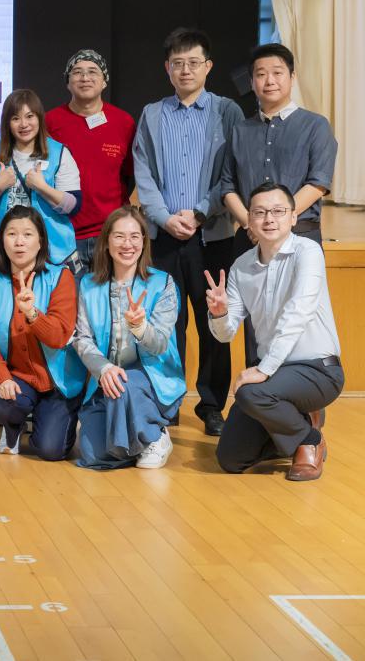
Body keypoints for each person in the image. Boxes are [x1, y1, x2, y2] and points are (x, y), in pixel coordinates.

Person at [132, 27, 242, 436]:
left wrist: (198, 213)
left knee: (214, 320)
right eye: (177, 63)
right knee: (167, 322)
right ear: (167, 68)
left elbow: (231, 171)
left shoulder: (227, 111)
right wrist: (163, 218)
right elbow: (143, 171)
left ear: (208, 66)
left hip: (213, 235)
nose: (185, 70)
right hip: (163, 237)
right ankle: (168, 401)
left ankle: (212, 405)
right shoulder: (153, 113)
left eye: (193, 63)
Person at [209, 182, 342, 481]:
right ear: (249, 220)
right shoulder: (241, 266)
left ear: (293, 217)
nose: (269, 219)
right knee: (230, 458)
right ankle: (294, 429)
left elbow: (298, 313)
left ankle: (309, 439)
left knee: (250, 392)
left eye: (278, 211)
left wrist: (263, 369)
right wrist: (219, 314)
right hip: (275, 375)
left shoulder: (308, 252)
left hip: (317, 369)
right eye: (259, 212)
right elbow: (226, 334)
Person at [221, 44, 338, 368]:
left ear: (292, 77)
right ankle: (258, 392)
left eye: (277, 73)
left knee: (301, 319)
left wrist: (276, 223)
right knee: (255, 325)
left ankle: (302, 394)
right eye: (261, 74)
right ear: (252, 81)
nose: (269, 80)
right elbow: (227, 187)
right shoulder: (240, 130)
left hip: (301, 237)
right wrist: (253, 224)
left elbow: (319, 182)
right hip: (250, 239)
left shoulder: (315, 125)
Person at [72, 206, 184, 470]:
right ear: (106, 241)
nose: (127, 244)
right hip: (108, 378)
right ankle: (135, 440)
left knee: (124, 384)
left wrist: (140, 327)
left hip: (152, 378)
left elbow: (160, 344)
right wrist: (104, 368)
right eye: (119, 236)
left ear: (144, 242)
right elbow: (82, 338)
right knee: (93, 455)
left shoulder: (163, 283)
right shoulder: (88, 284)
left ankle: (155, 436)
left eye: (135, 236)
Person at [0, 206, 81, 460]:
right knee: (6, 405)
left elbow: (58, 337)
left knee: (51, 451)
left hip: (56, 381)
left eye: (28, 234)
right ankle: (13, 425)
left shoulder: (61, 277)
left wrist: (32, 313)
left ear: (41, 241)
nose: (19, 242)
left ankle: (52, 418)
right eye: (11, 234)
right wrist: (2, 378)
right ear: (2, 240)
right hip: (16, 377)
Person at [45, 50, 135, 274]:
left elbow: (130, 175)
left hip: (111, 234)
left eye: (93, 72)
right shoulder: (50, 122)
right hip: (64, 235)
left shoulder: (123, 122)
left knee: (113, 296)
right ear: (68, 82)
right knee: (69, 297)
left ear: (104, 81)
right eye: (77, 72)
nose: (85, 78)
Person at [0, 88, 81, 269]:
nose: (24, 124)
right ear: (7, 123)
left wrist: (42, 187)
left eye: (30, 116)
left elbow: (73, 206)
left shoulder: (59, 152)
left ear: (39, 118)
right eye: (15, 118)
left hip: (52, 255)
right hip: (4, 254)